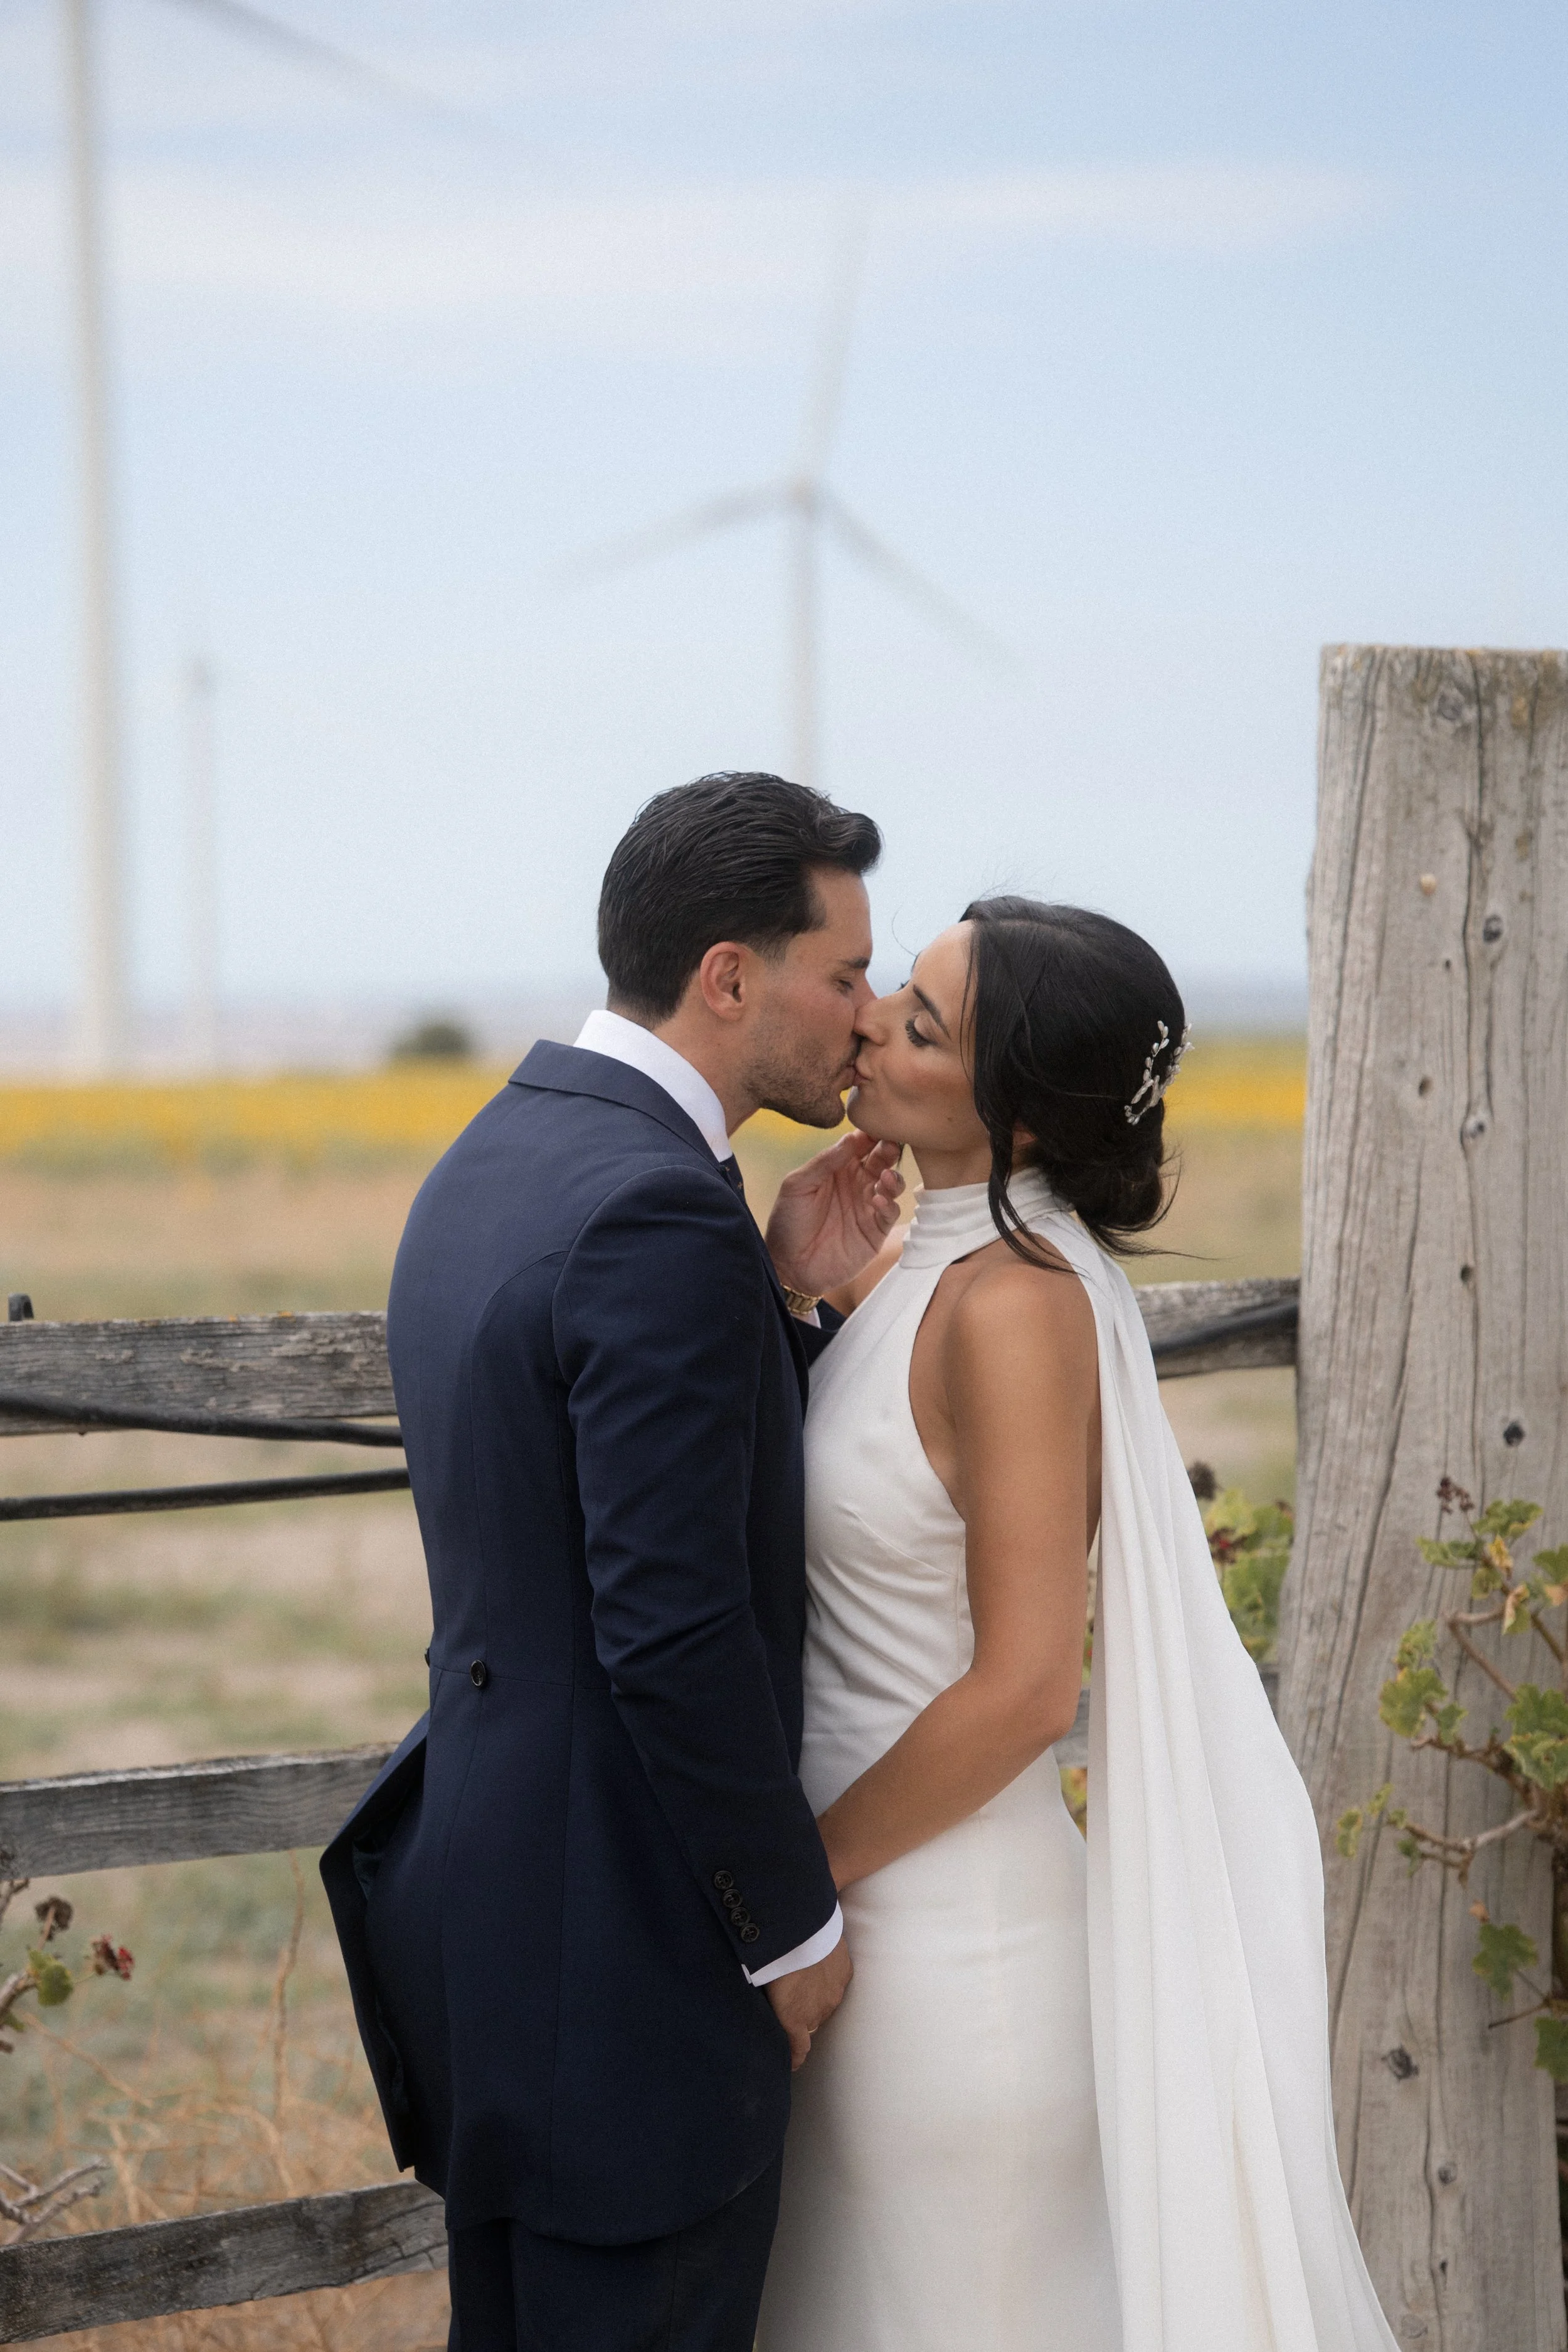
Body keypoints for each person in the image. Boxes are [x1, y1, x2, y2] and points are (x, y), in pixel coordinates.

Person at [757, 897, 1400, 2352]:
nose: (865, 1020)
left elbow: (1029, 1683)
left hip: (945, 1966)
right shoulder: (916, 1264)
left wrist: (789, 1888)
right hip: (871, 1948)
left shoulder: (1019, 1306)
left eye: (917, 1022)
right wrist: (794, 1280)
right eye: (892, 995)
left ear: (1025, 1122)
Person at [320, 773, 906, 2352]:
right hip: (632, 1963)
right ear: (731, 975)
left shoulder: (503, 1152)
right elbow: (668, 1623)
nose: (865, 1018)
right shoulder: (656, 1209)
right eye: (842, 975)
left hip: (494, 1917)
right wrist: (787, 1929)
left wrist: (776, 1308)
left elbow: (596, 1505)